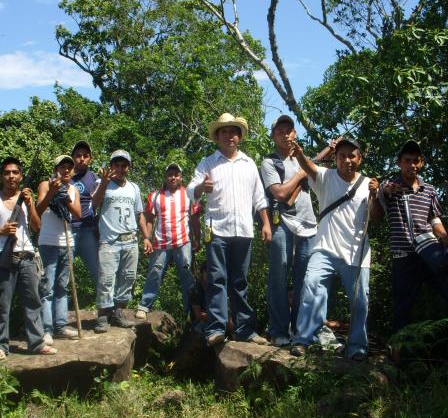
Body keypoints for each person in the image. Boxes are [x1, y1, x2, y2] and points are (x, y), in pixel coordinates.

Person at [289, 137, 379, 360]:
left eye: (351, 155)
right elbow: (308, 166)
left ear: (360, 158)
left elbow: (376, 217)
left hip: (356, 252)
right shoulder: (325, 177)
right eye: (341, 156)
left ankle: (357, 346)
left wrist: (375, 195)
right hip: (325, 248)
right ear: (335, 158)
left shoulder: (368, 184)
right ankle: (304, 339)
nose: (346, 160)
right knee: (311, 285)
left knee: (360, 300)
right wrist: (299, 154)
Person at [187, 113, 272, 346]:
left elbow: (259, 197)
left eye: (233, 132)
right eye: (224, 131)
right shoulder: (208, 163)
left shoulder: (249, 163)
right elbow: (189, 190)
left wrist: (265, 222)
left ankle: (244, 329)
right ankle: (216, 329)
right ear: (217, 136)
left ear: (239, 136)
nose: (229, 135)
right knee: (216, 280)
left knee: (240, 281)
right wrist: (201, 188)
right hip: (217, 230)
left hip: (244, 229)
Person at [378, 140, 448, 346]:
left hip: (430, 253)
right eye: (407, 161)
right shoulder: (390, 185)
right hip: (403, 256)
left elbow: (434, 219)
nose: (411, 165)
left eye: (415, 161)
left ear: (421, 164)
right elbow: (383, 193)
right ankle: (399, 350)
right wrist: (387, 190)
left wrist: (446, 239)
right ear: (399, 163)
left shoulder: (428, 189)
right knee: (403, 305)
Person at [0, 156, 57, 361]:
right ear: (2, 176)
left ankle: (37, 343)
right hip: (4, 257)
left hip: (27, 256)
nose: (11, 176)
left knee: (33, 301)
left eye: (15, 172)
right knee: (2, 304)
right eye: (7, 172)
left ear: (20, 176)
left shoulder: (26, 198)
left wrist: (30, 205)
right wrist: (0, 230)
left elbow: (37, 227)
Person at [260, 115, 318, 347]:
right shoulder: (269, 162)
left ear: (295, 134)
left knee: (304, 280)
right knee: (279, 278)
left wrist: (305, 168)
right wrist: (300, 175)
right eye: (280, 131)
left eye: (289, 130)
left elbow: (321, 180)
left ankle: (301, 331)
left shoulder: (303, 159)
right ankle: (279, 330)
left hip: (308, 224)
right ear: (273, 136)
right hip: (281, 222)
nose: (286, 134)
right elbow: (281, 194)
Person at [91, 149, 151, 333]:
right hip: (109, 241)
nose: (119, 168)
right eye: (116, 164)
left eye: (123, 165)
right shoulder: (101, 183)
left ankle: (119, 312)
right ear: (110, 166)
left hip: (130, 240)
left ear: (128, 167)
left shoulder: (133, 187)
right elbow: (93, 204)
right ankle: (102, 315)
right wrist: (104, 184)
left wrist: (146, 237)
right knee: (106, 278)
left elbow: (139, 214)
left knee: (128, 277)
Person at [135, 163, 200, 319]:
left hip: (183, 242)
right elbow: (150, 219)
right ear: (165, 177)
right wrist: (147, 239)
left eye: (176, 174)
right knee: (154, 273)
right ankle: (144, 306)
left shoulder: (189, 195)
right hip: (160, 243)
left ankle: (190, 311)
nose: (173, 177)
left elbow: (194, 219)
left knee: (187, 275)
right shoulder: (155, 196)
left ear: (181, 177)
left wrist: (197, 239)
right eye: (170, 174)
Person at [36, 155, 82, 344]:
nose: (66, 170)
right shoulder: (45, 185)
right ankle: (47, 329)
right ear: (56, 169)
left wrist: (64, 199)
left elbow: (78, 214)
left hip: (67, 242)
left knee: (62, 287)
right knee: (47, 288)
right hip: (48, 242)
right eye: (62, 167)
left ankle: (61, 326)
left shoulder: (73, 190)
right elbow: (37, 210)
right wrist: (52, 193)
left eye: (69, 168)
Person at [70, 140, 99, 281]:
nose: (82, 159)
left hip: (88, 230)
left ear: (90, 158)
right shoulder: (63, 176)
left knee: (98, 272)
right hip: (67, 231)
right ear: (73, 157)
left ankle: (106, 303)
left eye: (85, 155)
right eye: (78, 155)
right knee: (63, 274)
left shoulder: (94, 178)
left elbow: (98, 203)